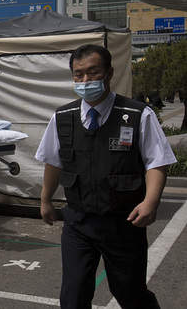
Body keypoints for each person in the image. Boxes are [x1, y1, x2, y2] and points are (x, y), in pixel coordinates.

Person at [35, 44, 176, 309]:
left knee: (130, 294)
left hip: (123, 222)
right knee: (73, 296)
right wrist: (45, 200)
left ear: (109, 73)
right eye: (78, 75)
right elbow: (53, 161)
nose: (85, 80)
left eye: (93, 72)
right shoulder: (63, 117)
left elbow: (158, 161)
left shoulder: (137, 115)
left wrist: (151, 202)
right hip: (79, 221)